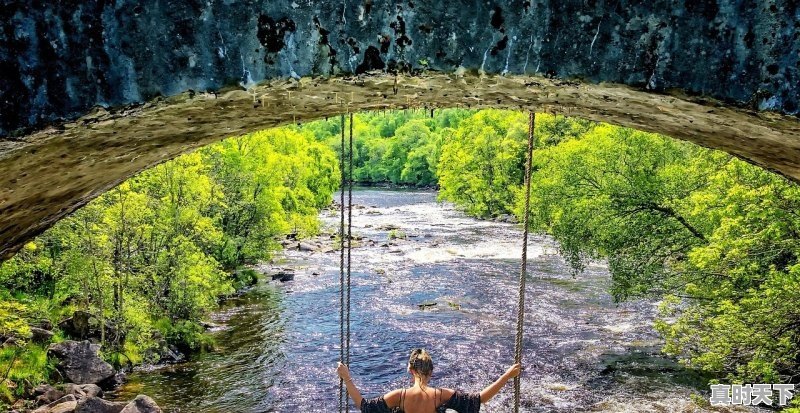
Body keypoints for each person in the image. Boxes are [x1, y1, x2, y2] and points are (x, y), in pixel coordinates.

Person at [336, 348, 522, 413]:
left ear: (410, 369)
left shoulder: (399, 396)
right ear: (431, 372)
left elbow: (365, 407)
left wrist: (347, 378)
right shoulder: (440, 395)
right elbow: (479, 399)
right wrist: (506, 375)